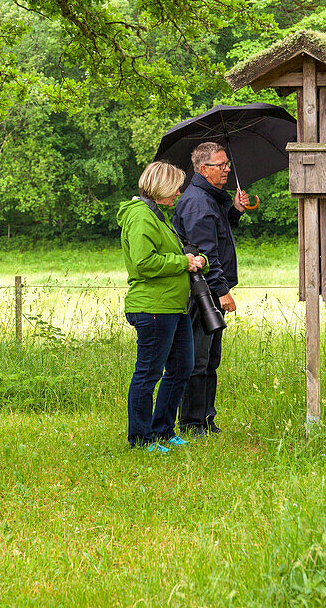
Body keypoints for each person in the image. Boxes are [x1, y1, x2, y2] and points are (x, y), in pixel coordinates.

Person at [117, 161, 207, 453]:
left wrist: (192, 256)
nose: (179, 193)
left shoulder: (156, 215)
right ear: (160, 187)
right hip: (153, 307)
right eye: (175, 187)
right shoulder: (141, 217)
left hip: (173, 306)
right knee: (148, 373)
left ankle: (163, 430)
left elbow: (165, 253)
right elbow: (144, 263)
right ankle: (141, 439)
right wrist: (184, 262)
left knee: (182, 368)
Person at [173, 142, 252, 436]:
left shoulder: (210, 199)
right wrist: (220, 290)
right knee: (198, 360)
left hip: (208, 290)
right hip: (201, 293)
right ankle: (193, 423)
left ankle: (205, 419)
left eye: (227, 164)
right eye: (221, 165)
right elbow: (204, 252)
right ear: (204, 170)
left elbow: (217, 234)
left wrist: (234, 211)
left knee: (210, 360)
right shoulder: (197, 202)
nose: (227, 169)